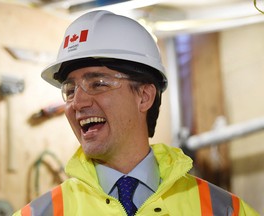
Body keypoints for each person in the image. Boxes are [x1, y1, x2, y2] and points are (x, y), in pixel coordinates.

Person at [14, 10, 259, 216]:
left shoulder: (226, 210)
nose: (77, 102)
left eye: (98, 83)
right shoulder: (39, 213)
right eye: (69, 89)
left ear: (144, 96)